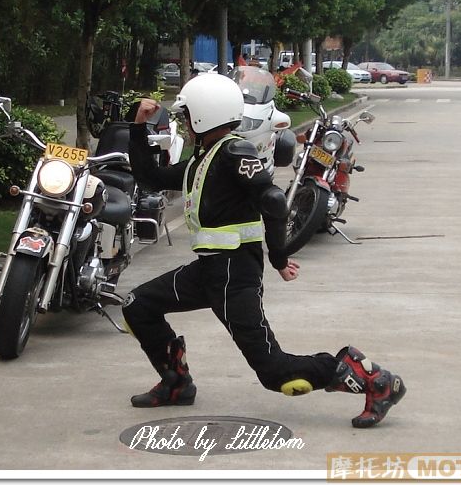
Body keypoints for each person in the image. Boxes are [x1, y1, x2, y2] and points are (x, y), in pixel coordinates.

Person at [122, 74, 406, 428]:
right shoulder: (203, 160)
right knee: (139, 305)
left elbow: (272, 200)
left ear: (203, 115)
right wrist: (138, 127)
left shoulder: (233, 151)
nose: (183, 121)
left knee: (276, 373)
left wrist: (279, 257)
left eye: (186, 114)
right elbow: (150, 175)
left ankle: (374, 381)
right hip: (209, 271)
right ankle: (176, 384)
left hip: (235, 276)